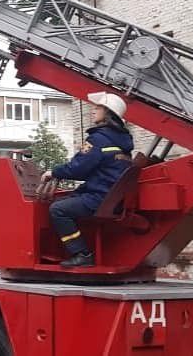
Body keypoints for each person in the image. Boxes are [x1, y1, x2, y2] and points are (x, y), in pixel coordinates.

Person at [41, 92, 134, 268]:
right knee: (65, 202)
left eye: (98, 107)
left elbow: (79, 168)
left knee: (57, 209)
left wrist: (53, 172)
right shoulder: (123, 141)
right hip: (110, 197)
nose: (94, 110)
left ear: (108, 113)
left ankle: (82, 254)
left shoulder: (98, 139)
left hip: (99, 197)